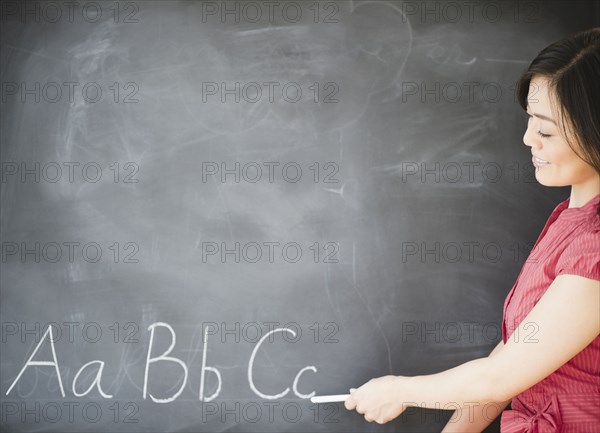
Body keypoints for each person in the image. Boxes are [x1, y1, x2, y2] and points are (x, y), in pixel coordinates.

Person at [344, 28, 600, 433]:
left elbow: (500, 378)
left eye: (546, 130)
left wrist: (399, 390)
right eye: (530, 122)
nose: (527, 138)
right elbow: (512, 359)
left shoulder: (595, 249)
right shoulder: (567, 218)